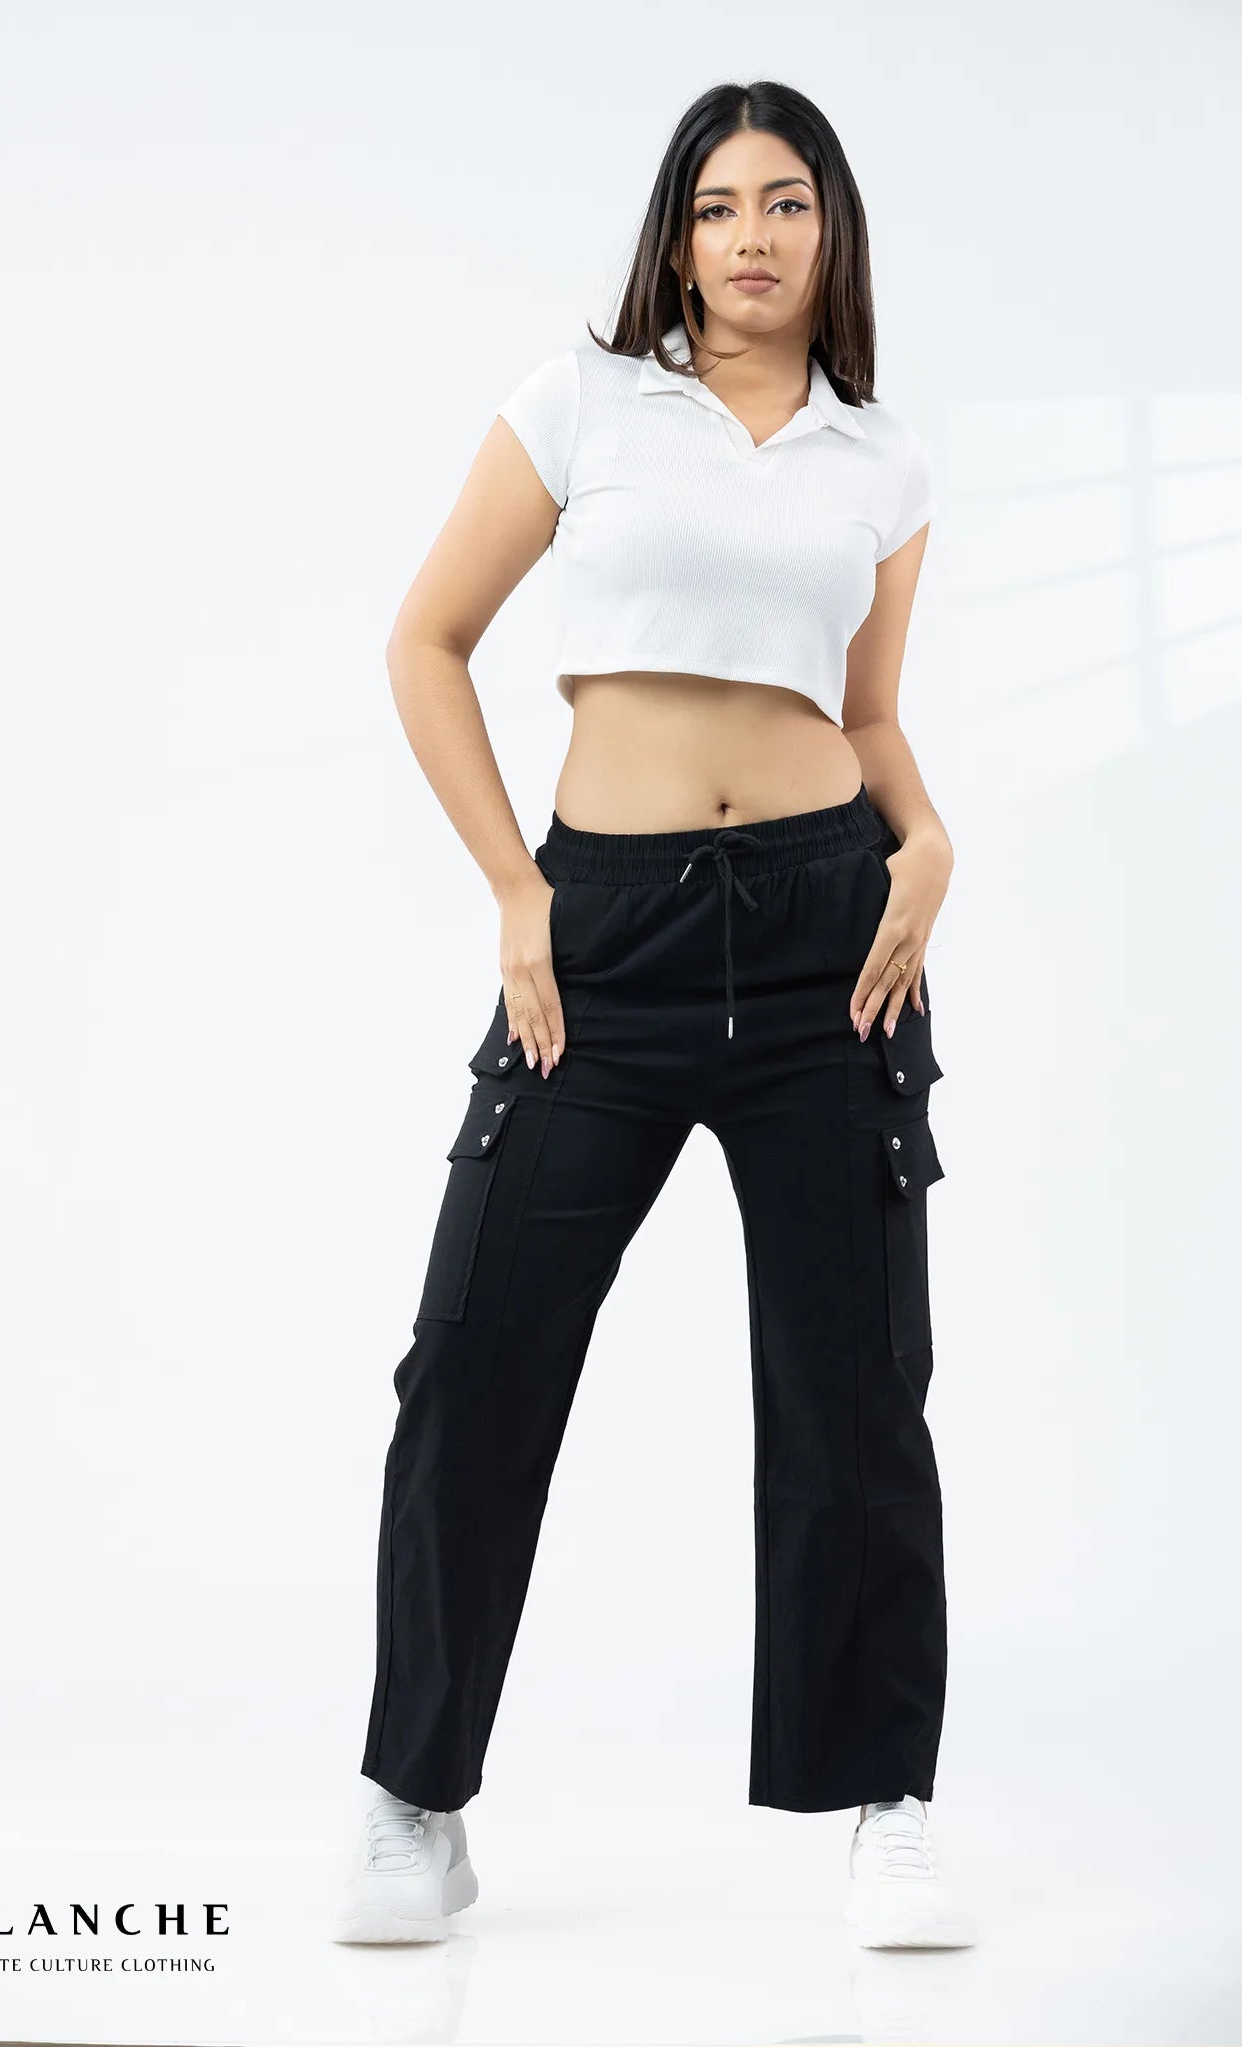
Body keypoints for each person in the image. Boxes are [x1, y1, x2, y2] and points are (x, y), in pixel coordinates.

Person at [333, 78, 977, 1952]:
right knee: (474, 1358)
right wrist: (515, 892)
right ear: (673, 238)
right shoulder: (585, 403)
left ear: (831, 229)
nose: (752, 237)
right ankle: (411, 1795)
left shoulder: (881, 458)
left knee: (854, 1387)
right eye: (716, 207)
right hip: (599, 943)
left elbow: (864, 712)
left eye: (785, 202)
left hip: (828, 941)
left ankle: (885, 1803)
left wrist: (928, 837)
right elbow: (424, 642)